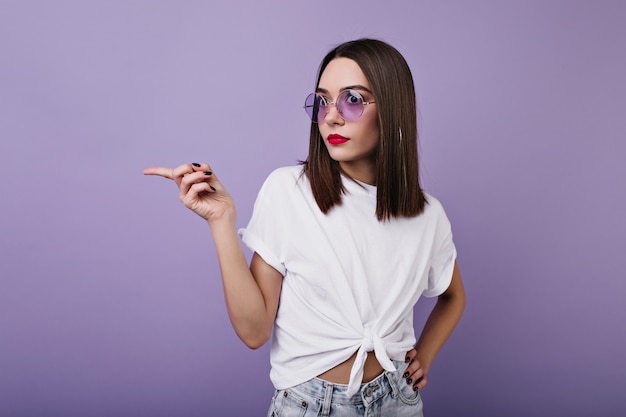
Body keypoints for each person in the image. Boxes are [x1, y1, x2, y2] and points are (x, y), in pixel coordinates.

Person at [144, 38, 466, 416]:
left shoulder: (428, 216)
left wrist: (423, 355)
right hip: (311, 405)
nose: (330, 116)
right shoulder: (289, 191)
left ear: (393, 111)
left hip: (397, 402)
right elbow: (254, 331)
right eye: (322, 101)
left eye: (354, 100)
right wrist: (221, 222)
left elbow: (453, 297)